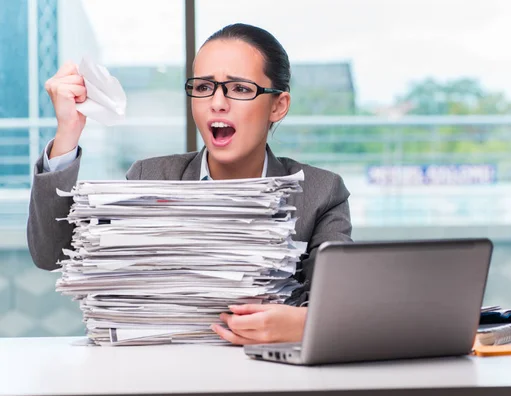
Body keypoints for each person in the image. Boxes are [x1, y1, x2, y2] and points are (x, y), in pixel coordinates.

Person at [27, 23, 352, 345]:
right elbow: (52, 254)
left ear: (278, 105)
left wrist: (306, 324)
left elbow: (344, 306)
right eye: (203, 87)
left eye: (240, 88)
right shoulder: (150, 178)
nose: (218, 102)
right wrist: (67, 132)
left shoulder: (322, 193)